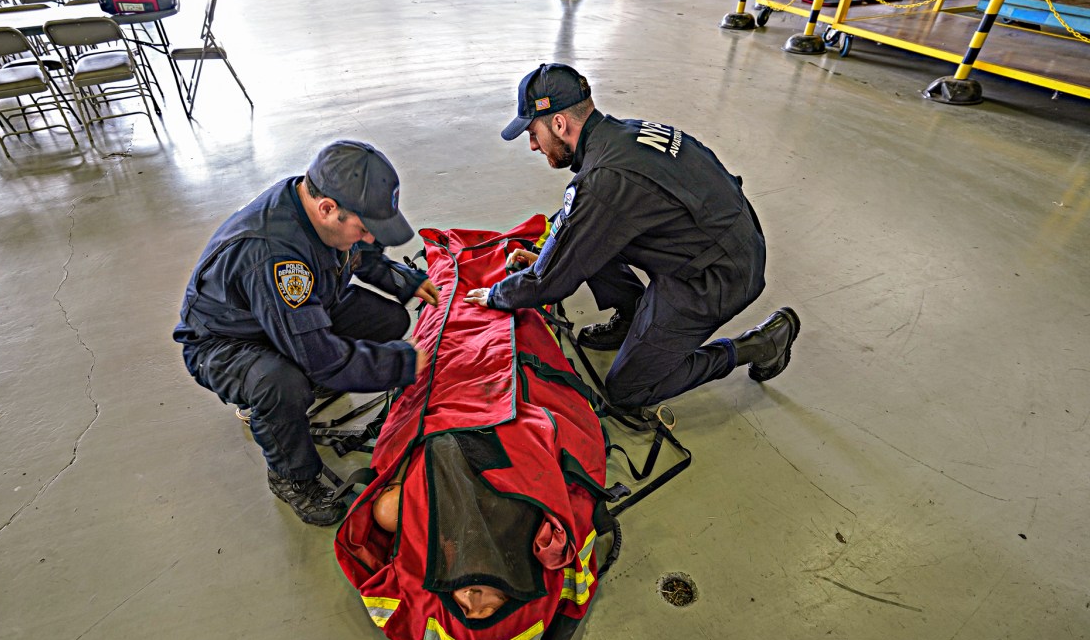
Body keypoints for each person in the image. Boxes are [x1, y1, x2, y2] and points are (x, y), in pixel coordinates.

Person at [465, 63, 801, 410]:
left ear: (560, 124)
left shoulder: (605, 179)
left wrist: (496, 295)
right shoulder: (620, 135)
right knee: (585, 235)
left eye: (534, 133)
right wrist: (550, 253)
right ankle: (631, 317)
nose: (533, 145)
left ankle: (758, 344)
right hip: (720, 238)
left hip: (717, 276)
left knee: (627, 390)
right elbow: (580, 222)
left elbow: (547, 282)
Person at [174, 141, 440, 526]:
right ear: (327, 208)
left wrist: (404, 281)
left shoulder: (317, 200)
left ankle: (299, 390)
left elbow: (361, 253)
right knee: (282, 383)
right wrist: (402, 364)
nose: (370, 237)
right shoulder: (274, 255)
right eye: (365, 228)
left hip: (284, 312)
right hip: (226, 343)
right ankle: (291, 475)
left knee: (388, 320)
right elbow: (322, 357)